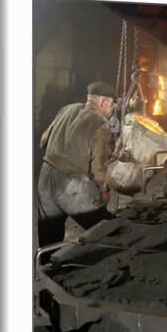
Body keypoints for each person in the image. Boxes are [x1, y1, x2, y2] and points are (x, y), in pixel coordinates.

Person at [37, 81, 116, 245]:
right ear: (103, 102)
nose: (111, 111)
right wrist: (104, 189)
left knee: (50, 234)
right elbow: (98, 166)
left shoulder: (67, 108)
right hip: (70, 183)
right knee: (107, 229)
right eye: (111, 106)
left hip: (45, 176)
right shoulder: (101, 123)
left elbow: (43, 140)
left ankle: (46, 265)